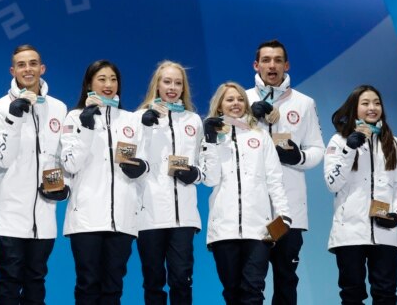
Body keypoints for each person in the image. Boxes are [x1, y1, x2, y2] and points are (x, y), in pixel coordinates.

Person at [60, 60, 149, 304]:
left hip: (122, 218)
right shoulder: (74, 117)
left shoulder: (131, 119)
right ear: (89, 84)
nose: (108, 85)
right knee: (88, 284)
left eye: (113, 79)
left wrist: (140, 168)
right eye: (101, 79)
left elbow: (144, 165)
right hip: (86, 219)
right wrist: (87, 127)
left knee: (114, 286)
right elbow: (70, 165)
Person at [0, 45, 69, 304]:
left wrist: (65, 187)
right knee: (10, 281)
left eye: (33, 63)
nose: (28, 69)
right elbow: (2, 159)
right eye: (21, 65)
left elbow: (62, 157)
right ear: (13, 70)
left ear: (42, 68)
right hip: (8, 214)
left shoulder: (58, 108)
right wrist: (15, 118)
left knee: (36, 281)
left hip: (44, 215)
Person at [245, 39, 325, 304]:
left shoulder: (304, 103)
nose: (272, 65)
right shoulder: (241, 99)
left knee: (286, 279)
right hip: (251, 210)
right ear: (256, 65)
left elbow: (317, 149)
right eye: (266, 60)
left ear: (286, 65)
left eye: (278, 60)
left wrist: (297, 156)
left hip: (288, 211)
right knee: (249, 282)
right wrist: (247, 118)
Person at [202, 82, 291, 305]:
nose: (236, 104)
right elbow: (210, 179)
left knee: (253, 290)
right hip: (224, 230)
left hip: (258, 230)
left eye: (240, 99)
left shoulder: (260, 137)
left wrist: (283, 214)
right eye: (230, 99)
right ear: (220, 105)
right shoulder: (210, 140)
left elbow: (274, 180)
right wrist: (212, 142)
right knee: (232, 293)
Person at [324, 85, 397, 305]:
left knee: (386, 293)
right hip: (349, 232)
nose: (372, 108)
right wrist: (349, 149)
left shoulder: (393, 142)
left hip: (385, 231)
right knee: (352, 295)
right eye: (366, 103)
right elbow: (332, 184)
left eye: (377, 103)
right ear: (355, 107)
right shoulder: (338, 141)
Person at [136, 61, 203, 305]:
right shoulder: (138, 118)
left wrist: (195, 174)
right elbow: (129, 160)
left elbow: (204, 164)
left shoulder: (193, 120)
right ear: (157, 84)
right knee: (153, 281)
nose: (172, 87)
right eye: (167, 82)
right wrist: (144, 125)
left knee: (182, 279)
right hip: (149, 214)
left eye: (178, 82)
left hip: (183, 216)